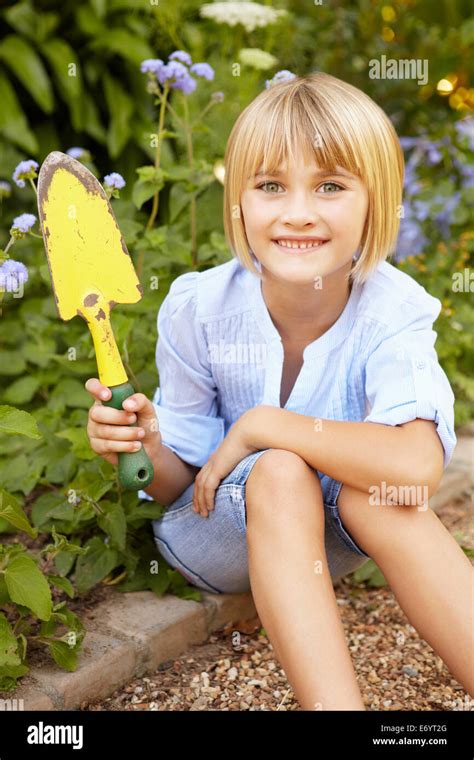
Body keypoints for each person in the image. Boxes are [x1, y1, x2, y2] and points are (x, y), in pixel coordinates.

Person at [85, 71, 473, 711]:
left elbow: (417, 468)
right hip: (214, 536)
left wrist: (264, 424)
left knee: (380, 497)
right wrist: (144, 444)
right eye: (270, 186)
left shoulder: (395, 310)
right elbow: (178, 486)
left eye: (330, 186)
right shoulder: (201, 307)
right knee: (281, 473)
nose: (298, 211)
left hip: (332, 539)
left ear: (377, 204)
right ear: (238, 202)